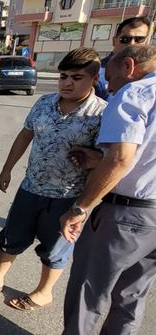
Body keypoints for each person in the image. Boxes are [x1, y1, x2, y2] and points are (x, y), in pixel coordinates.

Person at [0, 48, 107, 311]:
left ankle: (44, 292)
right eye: (63, 76)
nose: (67, 82)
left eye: (76, 77)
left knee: (54, 250)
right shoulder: (44, 103)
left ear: (93, 79)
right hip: (31, 187)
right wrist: (7, 168)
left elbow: (110, 160)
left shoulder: (102, 114)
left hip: (69, 197)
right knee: (12, 237)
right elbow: (26, 135)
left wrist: (87, 201)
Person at [60, 45, 156, 335]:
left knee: (88, 295)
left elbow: (121, 158)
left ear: (128, 67)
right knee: (131, 298)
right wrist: (99, 160)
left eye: (111, 79)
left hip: (126, 216)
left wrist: (81, 207)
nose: (109, 87)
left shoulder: (136, 93)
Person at [94, 16, 150, 100]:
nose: (132, 44)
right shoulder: (95, 70)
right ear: (114, 41)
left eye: (139, 39)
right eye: (125, 39)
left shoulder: (150, 75)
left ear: (146, 42)